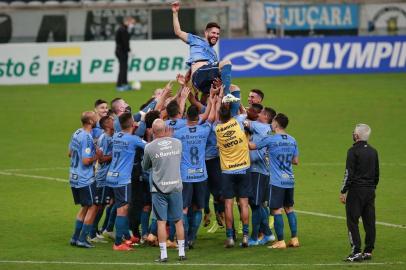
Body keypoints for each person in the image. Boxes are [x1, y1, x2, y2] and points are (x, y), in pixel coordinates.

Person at [250, 113, 299, 249]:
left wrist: (240, 137)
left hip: (276, 181)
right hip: (289, 180)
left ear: (276, 124)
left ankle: (281, 241)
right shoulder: (292, 140)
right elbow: (295, 161)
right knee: (289, 209)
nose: (271, 124)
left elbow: (252, 146)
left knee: (276, 210)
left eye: (273, 122)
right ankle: (294, 239)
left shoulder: (270, 139)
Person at [171, 1, 235, 101]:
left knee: (233, 88)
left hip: (205, 82)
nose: (216, 35)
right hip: (198, 75)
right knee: (226, 63)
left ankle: (206, 112)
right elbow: (178, 32)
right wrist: (175, 13)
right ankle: (226, 96)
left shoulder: (214, 54)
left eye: (218, 34)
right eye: (213, 33)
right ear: (206, 33)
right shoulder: (195, 40)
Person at [142, 119, 186, 262]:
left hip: (159, 189)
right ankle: (181, 253)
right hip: (175, 187)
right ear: (166, 129)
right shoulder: (177, 143)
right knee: (178, 221)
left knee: (161, 222)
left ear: (153, 131)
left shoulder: (149, 147)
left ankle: (163, 255)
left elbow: (145, 166)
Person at [173, 103, 215, 248]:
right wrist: (213, 101)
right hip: (201, 175)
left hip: (185, 176)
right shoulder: (203, 130)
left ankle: (182, 241)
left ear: (186, 117)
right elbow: (210, 118)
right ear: (198, 117)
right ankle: (191, 238)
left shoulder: (178, 133)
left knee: (183, 209)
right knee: (198, 208)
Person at [106, 112, 146, 251]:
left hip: (111, 175)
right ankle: (118, 243)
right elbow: (150, 147)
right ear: (132, 124)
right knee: (122, 210)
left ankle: (125, 238)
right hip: (122, 179)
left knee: (121, 208)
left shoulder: (117, 135)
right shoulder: (133, 139)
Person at [340, 124, 379, 262]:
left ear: (356, 136)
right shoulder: (373, 151)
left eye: (353, 132)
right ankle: (368, 251)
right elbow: (376, 174)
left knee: (352, 221)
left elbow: (348, 173)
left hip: (356, 191)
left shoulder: (352, 151)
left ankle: (356, 251)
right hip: (370, 190)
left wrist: (343, 190)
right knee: (369, 221)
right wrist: (371, 188)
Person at [215, 104, 251, 248]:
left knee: (228, 204)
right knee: (244, 203)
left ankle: (230, 237)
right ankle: (246, 237)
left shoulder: (217, 129)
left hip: (227, 171)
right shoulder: (239, 121)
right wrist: (239, 104)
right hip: (243, 168)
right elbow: (245, 114)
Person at [68, 111, 102, 248]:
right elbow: (86, 160)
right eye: (95, 118)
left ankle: (75, 238)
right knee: (93, 207)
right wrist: (97, 156)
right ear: (90, 122)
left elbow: (69, 153)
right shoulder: (87, 138)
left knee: (85, 207)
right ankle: (82, 238)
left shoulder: (77, 132)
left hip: (73, 177)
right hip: (85, 179)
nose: (97, 119)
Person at [115, 16, 135, 91]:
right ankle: (119, 85)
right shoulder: (122, 29)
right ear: (127, 21)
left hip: (122, 51)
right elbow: (124, 42)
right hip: (121, 51)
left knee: (124, 68)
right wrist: (129, 50)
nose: (132, 24)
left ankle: (125, 83)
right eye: (131, 22)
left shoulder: (123, 29)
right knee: (122, 68)